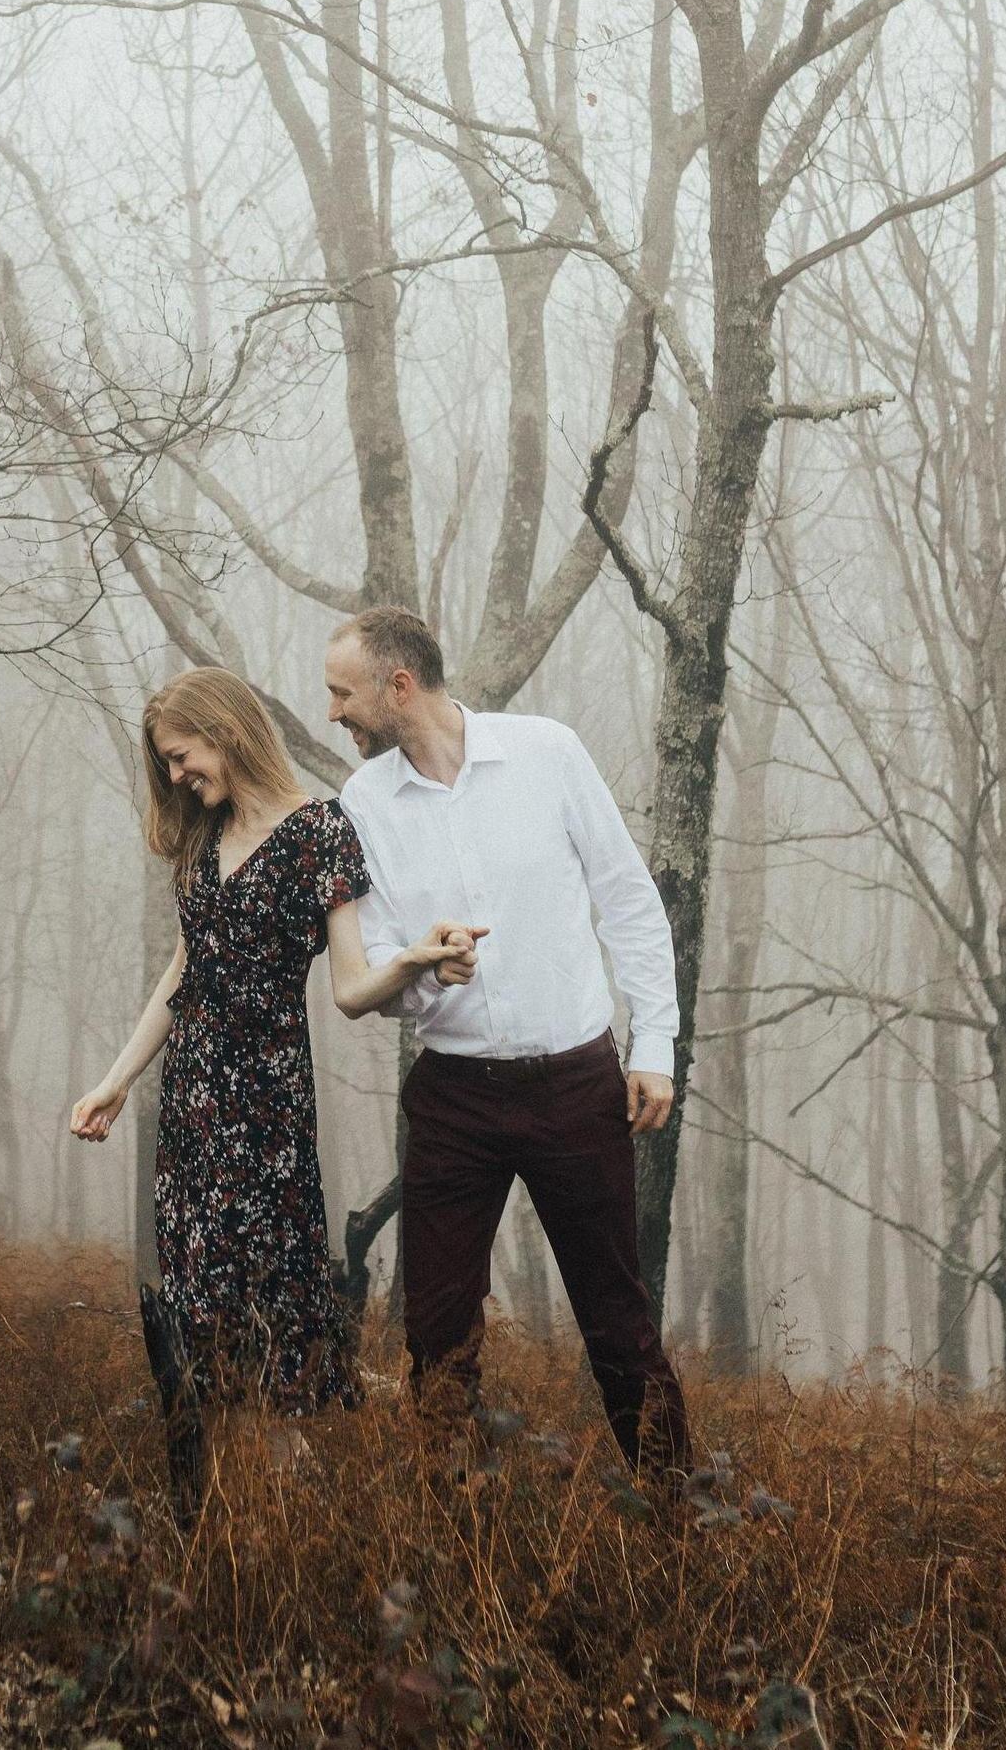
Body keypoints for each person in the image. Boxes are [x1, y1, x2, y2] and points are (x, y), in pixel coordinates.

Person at [69, 665, 472, 1522]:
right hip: (191, 1113)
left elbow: (351, 988)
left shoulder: (319, 832)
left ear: (225, 731)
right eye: (168, 767)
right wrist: (114, 1082)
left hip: (266, 1110)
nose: (177, 777)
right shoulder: (200, 840)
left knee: (271, 1321)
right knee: (200, 1316)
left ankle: (298, 1529)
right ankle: (211, 1516)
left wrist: (414, 959)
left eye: (181, 757)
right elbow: (185, 971)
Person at [323, 607, 692, 1479]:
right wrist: (424, 971)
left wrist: (655, 1048)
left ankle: (681, 1511)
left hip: (575, 1086)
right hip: (452, 1099)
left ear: (398, 686)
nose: (334, 712)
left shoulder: (547, 753)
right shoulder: (362, 802)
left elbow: (629, 901)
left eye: (344, 695)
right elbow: (374, 968)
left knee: (615, 1316)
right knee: (438, 1328)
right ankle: (452, 1526)